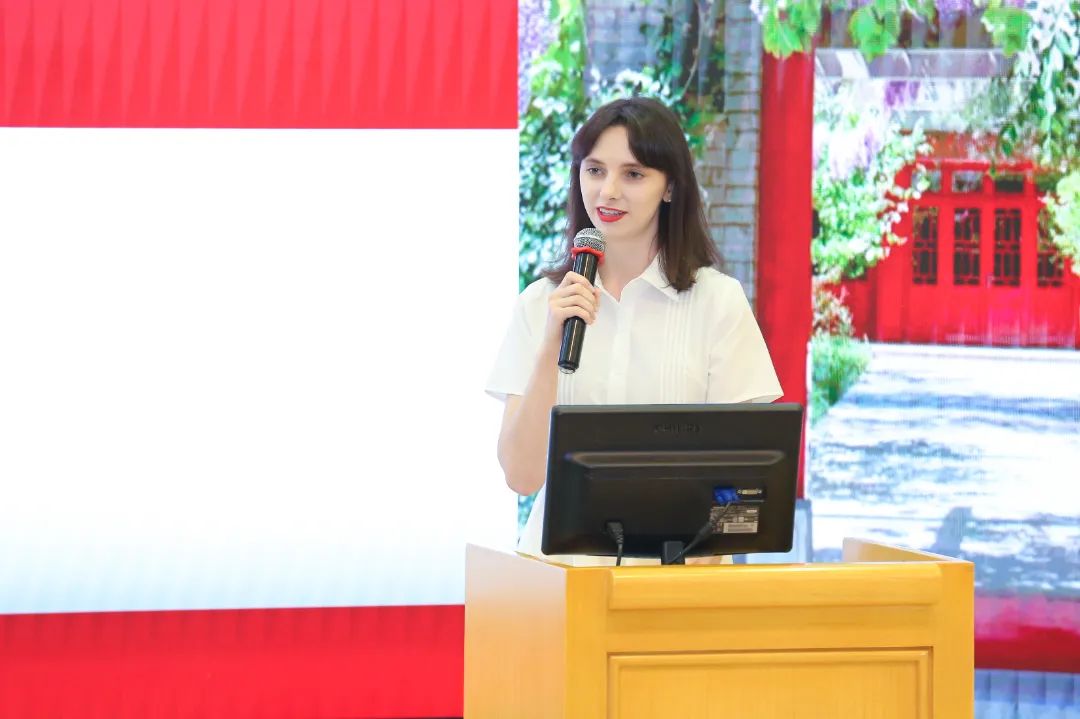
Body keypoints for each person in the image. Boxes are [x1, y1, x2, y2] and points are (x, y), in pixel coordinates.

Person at [486, 97, 782, 564]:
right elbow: (521, 477)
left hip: (678, 580)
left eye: (633, 174)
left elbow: (745, 480)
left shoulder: (717, 302)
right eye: (595, 170)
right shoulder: (541, 304)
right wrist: (549, 346)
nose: (608, 191)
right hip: (558, 580)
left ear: (670, 187)